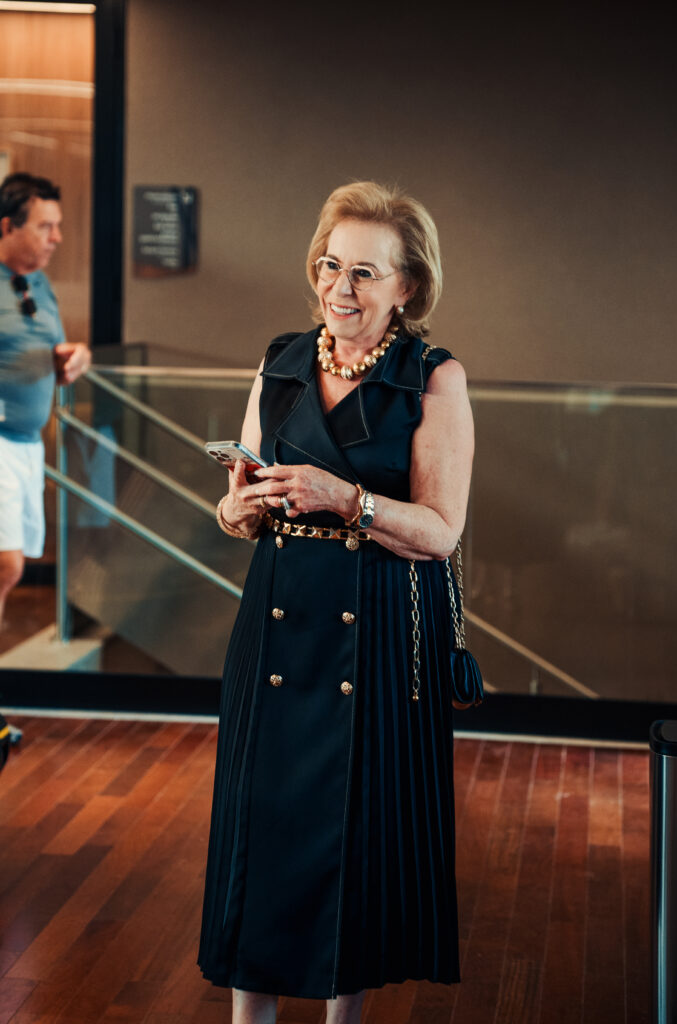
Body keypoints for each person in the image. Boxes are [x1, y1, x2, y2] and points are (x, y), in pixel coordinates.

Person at [198, 181, 474, 1024]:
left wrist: (345, 499)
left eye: (363, 272)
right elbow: (240, 500)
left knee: (349, 829)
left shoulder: (432, 377)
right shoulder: (280, 359)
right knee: (262, 819)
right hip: (275, 625)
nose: (338, 287)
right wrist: (236, 509)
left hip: (376, 631)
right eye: (328, 264)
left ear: (406, 288)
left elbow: (441, 532)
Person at [0, 172, 91, 630]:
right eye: (44, 226)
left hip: (28, 445)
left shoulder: (38, 285)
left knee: (8, 572)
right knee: (6, 564)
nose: (56, 237)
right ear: (7, 227)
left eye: (58, 226)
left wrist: (75, 357)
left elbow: (51, 351)